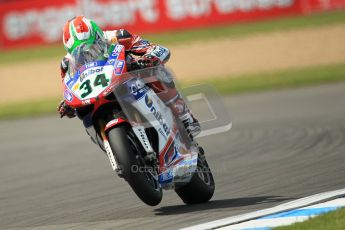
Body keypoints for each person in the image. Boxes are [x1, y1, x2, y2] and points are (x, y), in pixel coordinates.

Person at [58, 16, 200, 137]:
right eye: (81, 51)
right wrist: (68, 104)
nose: (90, 52)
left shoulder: (118, 36)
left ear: (99, 35)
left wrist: (149, 58)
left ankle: (184, 116)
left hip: (128, 82)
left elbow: (159, 50)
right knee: (81, 111)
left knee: (157, 70)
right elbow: (70, 87)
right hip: (99, 95)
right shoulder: (66, 64)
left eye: (94, 45)